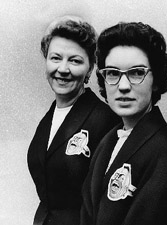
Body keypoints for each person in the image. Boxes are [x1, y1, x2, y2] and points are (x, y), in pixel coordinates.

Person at [80, 22, 167, 225]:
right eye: (113, 73)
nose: (123, 86)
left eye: (137, 73)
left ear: (156, 79)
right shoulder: (108, 140)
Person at [27, 16, 120, 225]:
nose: (63, 68)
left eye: (75, 60)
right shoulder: (48, 119)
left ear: (89, 68)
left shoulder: (106, 120)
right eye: (56, 58)